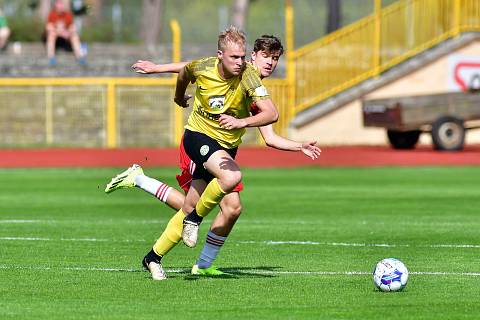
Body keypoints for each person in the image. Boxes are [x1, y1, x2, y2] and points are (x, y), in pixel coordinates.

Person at [106, 32, 320, 280]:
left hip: (224, 149)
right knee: (209, 196)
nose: (270, 63)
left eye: (275, 58)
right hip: (199, 139)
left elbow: (270, 135)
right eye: (265, 57)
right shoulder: (234, 68)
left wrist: (299, 146)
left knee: (226, 208)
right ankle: (184, 216)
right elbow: (189, 69)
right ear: (253, 55)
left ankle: (158, 257)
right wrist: (159, 72)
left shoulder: (253, 84)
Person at [45, 0, 86, 66]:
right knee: (51, 35)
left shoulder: (68, 15)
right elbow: (48, 27)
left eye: (62, 4)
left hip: (66, 37)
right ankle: (51, 57)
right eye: (59, 4)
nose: (61, 6)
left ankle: (79, 56)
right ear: (56, 6)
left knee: (74, 36)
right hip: (56, 36)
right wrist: (61, 32)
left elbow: (73, 27)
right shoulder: (52, 14)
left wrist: (69, 32)